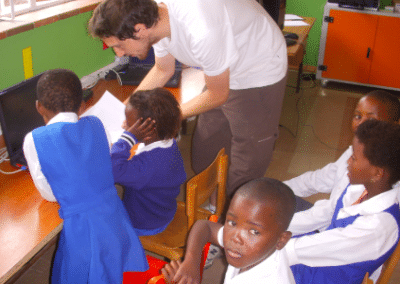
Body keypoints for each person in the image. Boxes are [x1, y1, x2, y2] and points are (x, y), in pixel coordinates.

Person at [88, 0, 288, 206]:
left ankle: (230, 211)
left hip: (257, 67)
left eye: (118, 46)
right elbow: (162, 69)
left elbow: (218, 94)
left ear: (139, 30)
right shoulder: (155, 19)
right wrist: (125, 108)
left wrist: (163, 118)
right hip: (220, 72)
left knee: (248, 158)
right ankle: (214, 196)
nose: (118, 54)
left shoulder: (202, 29)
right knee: (205, 149)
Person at [22, 69, 148, 283]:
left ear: (38, 106)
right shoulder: (97, 124)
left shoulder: (34, 139)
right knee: (106, 269)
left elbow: (50, 194)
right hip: (114, 217)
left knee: (81, 274)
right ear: (82, 105)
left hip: (83, 229)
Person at [287, 119, 400, 283]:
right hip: (318, 258)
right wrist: (276, 227)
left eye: (354, 158)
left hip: (324, 277)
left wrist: (265, 246)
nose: (347, 163)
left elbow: (309, 249)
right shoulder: (361, 189)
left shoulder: (378, 227)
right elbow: (325, 214)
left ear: (377, 173)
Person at [160, 177, 296, 284]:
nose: (235, 238)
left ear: (281, 240)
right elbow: (205, 227)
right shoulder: (255, 249)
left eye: (254, 231)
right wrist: (191, 261)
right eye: (232, 222)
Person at [284, 90, 400, 212]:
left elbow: (328, 213)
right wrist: (278, 188)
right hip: (330, 220)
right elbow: (321, 178)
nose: (361, 124)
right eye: (358, 116)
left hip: (338, 225)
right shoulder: (356, 150)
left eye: (371, 120)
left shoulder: (380, 176)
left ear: (395, 124)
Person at [111, 88, 186, 236]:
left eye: (131, 124)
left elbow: (113, 170)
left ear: (148, 131)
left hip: (144, 223)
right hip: (163, 210)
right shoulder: (169, 141)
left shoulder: (147, 166)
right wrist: (132, 133)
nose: (126, 125)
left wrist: (127, 138)